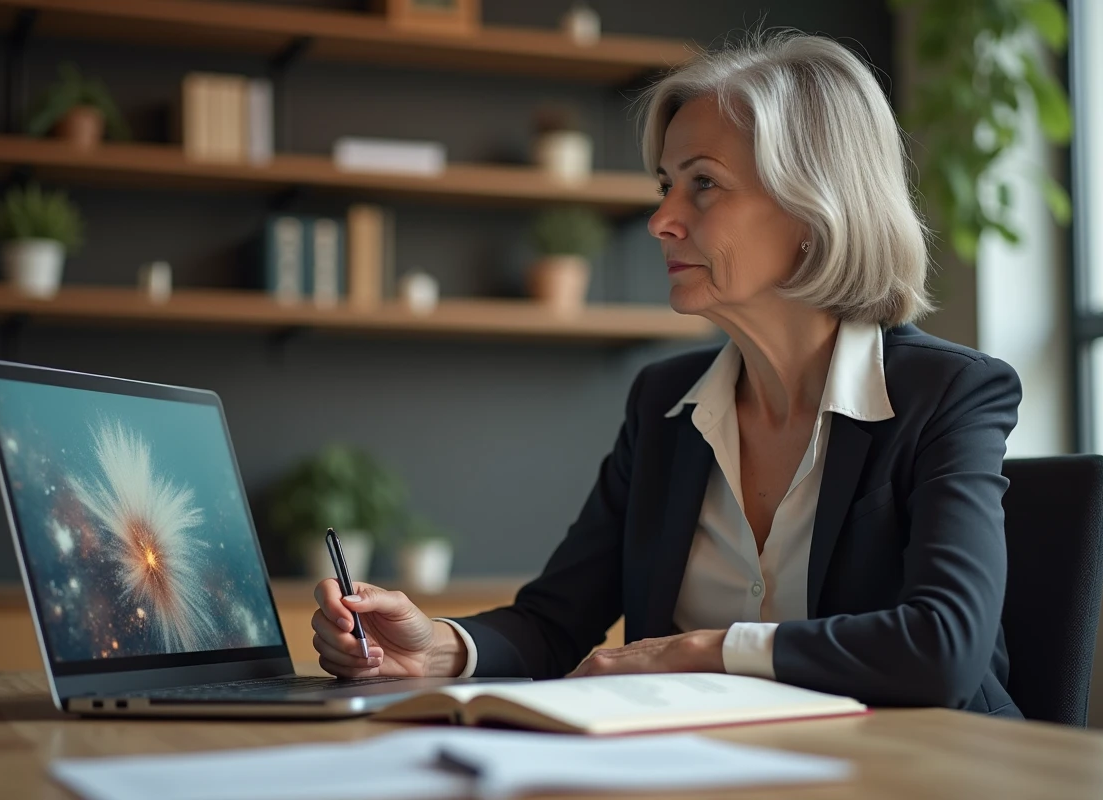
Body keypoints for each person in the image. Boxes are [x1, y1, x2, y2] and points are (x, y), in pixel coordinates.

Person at [311, 31, 1023, 716]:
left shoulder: (948, 394)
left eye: (703, 185)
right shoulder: (662, 406)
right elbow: (555, 620)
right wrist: (435, 650)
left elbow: (944, 649)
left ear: (814, 209)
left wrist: (704, 651)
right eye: (665, 185)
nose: (662, 220)